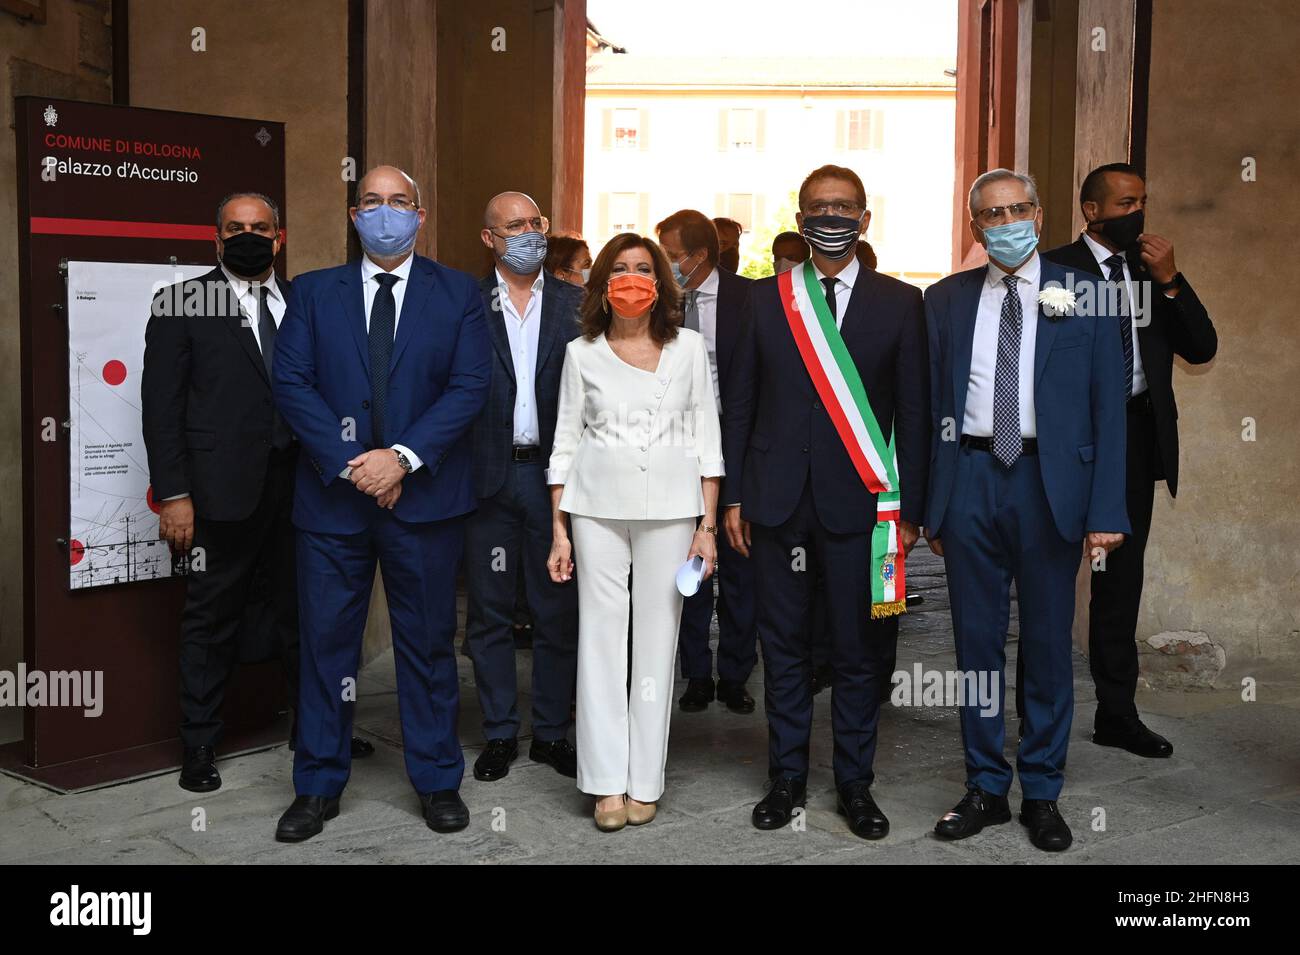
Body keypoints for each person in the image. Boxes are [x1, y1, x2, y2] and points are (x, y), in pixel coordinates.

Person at [270, 165, 490, 841]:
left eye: (399, 202)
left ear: (419, 215)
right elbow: (292, 382)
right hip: (333, 503)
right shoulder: (311, 293)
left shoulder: (458, 294)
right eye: (372, 202)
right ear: (352, 212)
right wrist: (353, 464)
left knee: (425, 647)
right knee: (326, 647)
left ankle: (435, 779)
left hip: (423, 499)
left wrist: (402, 458)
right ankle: (317, 783)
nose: (385, 212)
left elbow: (468, 386)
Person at [925, 169, 1128, 852]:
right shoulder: (946, 300)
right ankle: (985, 783)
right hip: (972, 481)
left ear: (1039, 215)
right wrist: (932, 506)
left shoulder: (1090, 296)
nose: (1006, 221)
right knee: (977, 646)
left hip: (1051, 488)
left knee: (1046, 647)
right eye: (992, 213)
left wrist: (1107, 509)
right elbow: (931, 410)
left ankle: (1042, 789)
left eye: (1018, 209)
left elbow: (1111, 410)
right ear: (974, 223)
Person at [724, 164, 929, 839]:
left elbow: (915, 415)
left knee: (857, 651)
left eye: (844, 207)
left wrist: (913, 512)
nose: (831, 216)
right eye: (818, 206)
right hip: (776, 503)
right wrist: (732, 497)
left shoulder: (902, 304)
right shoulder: (761, 300)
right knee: (780, 647)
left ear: (865, 220)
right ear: (800, 217)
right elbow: (741, 406)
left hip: (860, 509)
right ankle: (785, 776)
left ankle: (854, 783)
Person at [1033, 162, 1217, 758]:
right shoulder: (1053, 270)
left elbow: (1201, 346)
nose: (1136, 212)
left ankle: (1117, 713)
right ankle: (1038, 716)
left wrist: (1171, 281)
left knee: (1120, 582)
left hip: (1135, 442)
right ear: (1091, 210)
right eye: (1123, 202)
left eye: (1142, 200)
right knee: (1047, 578)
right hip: (1064, 444)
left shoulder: (1152, 270)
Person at [546, 232, 723, 832]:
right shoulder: (581, 352)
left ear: (661, 282)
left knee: (656, 642)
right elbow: (565, 441)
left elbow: (708, 441)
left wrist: (706, 525)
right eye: (619, 269)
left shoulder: (689, 349)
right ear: (602, 284)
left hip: (672, 510)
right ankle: (603, 782)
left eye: (642, 268)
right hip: (595, 508)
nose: (631, 278)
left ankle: (645, 778)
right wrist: (560, 527)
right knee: (599, 640)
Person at [143, 192, 298, 792]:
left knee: (303, 614)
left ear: (278, 237)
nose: (248, 236)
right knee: (211, 618)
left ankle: (314, 731)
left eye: (259, 228)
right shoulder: (181, 302)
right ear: (216, 239)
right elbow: (161, 408)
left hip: (301, 490)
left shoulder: (303, 300)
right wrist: (174, 494)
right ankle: (200, 745)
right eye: (235, 228)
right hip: (217, 493)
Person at [465, 192, 582, 782]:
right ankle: (499, 733)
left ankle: (553, 734)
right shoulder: (462, 303)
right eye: (514, 226)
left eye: (536, 222)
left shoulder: (579, 306)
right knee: (488, 614)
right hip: (487, 476)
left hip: (555, 481)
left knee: (557, 609)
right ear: (490, 238)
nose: (530, 232)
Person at [656, 209, 757, 715]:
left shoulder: (750, 299)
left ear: (698, 256)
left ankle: (735, 673)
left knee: (739, 561)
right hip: (677, 445)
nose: (663, 265)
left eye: (671, 256)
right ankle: (695, 673)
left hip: (737, 441)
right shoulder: (656, 302)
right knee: (686, 560)